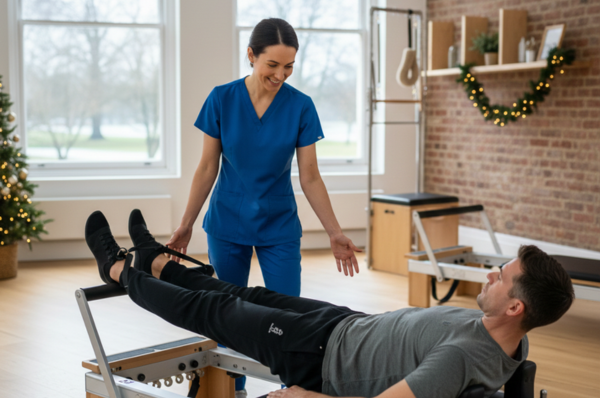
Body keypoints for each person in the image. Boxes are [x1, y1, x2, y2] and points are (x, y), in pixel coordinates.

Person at [85, 209, 575, 398]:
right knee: (239, 293)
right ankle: (156, 262)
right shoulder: (514, 344)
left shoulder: (462, 358)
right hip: (343, 326)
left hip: (320, 357)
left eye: (503, 276)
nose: (491, 273)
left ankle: (118, 270)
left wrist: (307, 397)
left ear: (516, 307)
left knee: (214, 314)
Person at [166, 17, 360, 294]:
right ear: (251, 55)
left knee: (288, 312)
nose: (280, 75)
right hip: (228, 220)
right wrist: (186, 225)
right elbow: (208, 167)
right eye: (272, 65)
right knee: (226, 313)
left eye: (289, 66)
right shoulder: (221, 99)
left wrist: (335, 232)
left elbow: (311, 177)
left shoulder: (301, 107)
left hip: (278, 224)